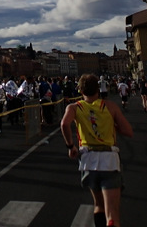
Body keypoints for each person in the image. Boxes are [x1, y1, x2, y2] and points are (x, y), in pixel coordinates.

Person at [60, 74, 133, 227]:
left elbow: (64, 124)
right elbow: (128, 131)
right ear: (98, 90)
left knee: (98, 204)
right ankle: (112, 222)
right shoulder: (109, 106)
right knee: (112, 210)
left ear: (80, 90)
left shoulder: (74, 107)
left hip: (88, 159)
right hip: (109, 159)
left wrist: (70, 146)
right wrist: (113, 126)